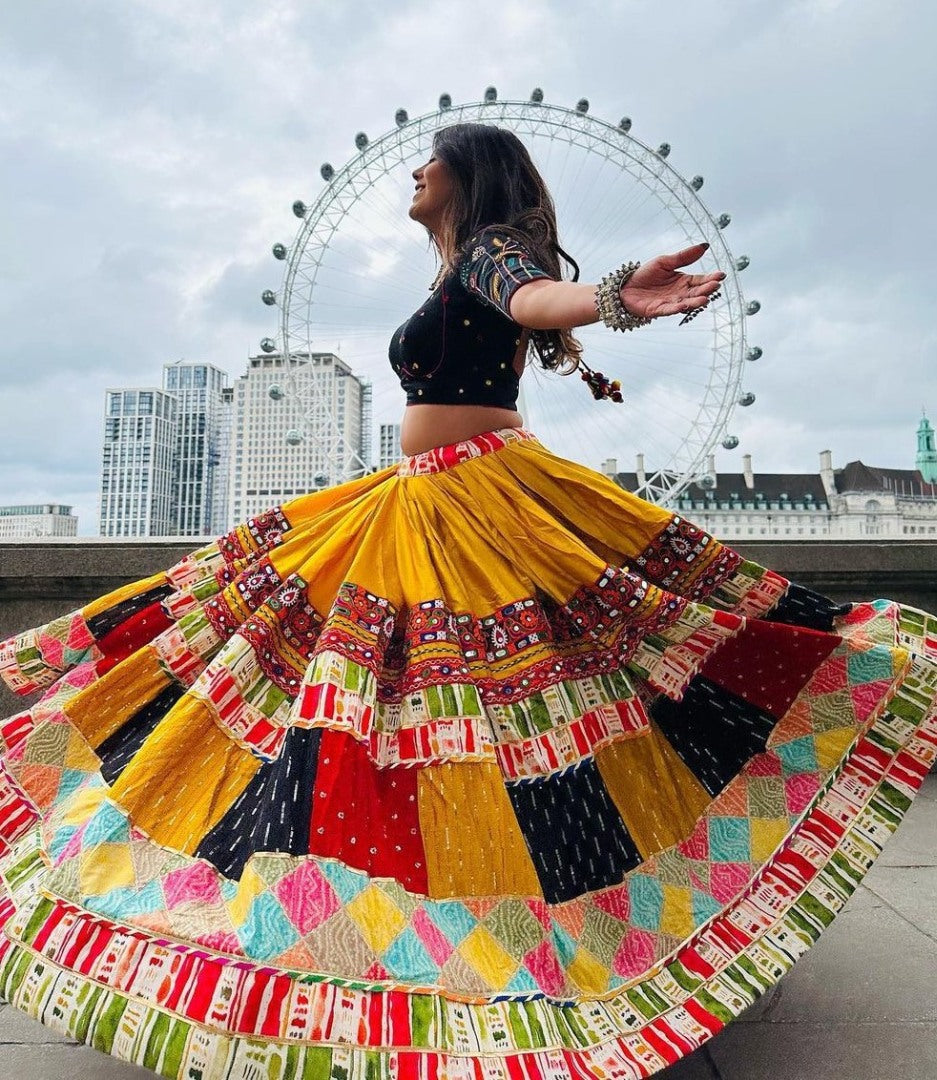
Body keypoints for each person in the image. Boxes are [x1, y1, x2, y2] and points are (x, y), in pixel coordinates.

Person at [0, 122, 933, 1080]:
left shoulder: (493, 250)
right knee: (474, 711)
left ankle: (485, 936)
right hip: (430, 500)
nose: (414, 169)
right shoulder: (463, 266)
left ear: (465, 174)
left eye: (430, 158)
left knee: (456, 712)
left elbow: (532, 296)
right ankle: (481, 923)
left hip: (473, 508)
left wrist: (611, 297)